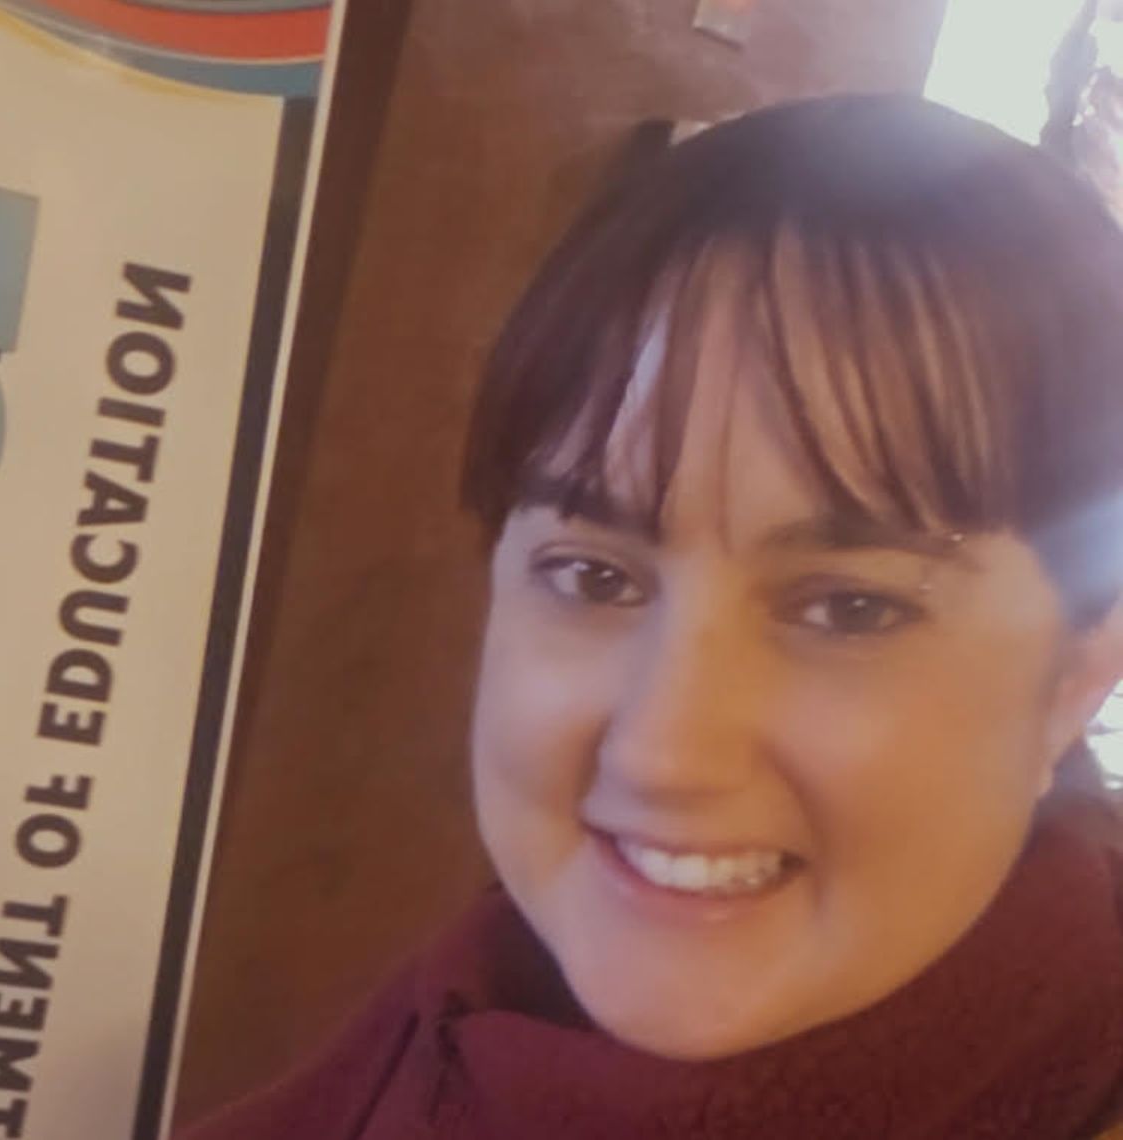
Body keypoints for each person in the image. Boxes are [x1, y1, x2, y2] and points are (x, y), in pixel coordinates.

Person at [180, 94, 1123, 1139]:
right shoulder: (452, 1035)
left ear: (1079, 674)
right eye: (595, 578)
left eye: (851, 608)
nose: (666, 750)